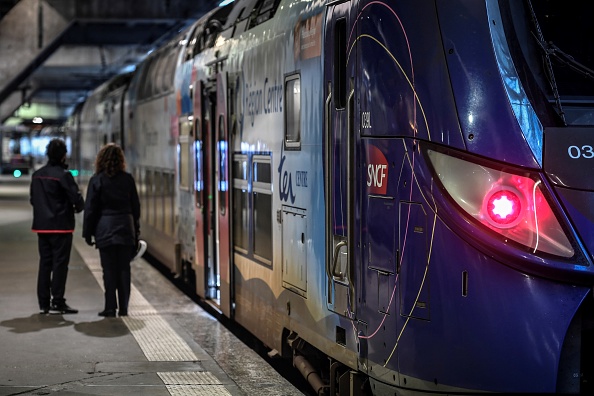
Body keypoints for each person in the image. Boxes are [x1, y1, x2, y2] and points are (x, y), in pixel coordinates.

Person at [82, 143, 140, 317]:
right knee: (124, 269)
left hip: (104, 228)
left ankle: (109, 307)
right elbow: (135, 208)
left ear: (100, 160)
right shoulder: (128, 179)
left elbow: (90, 209)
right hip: (125, 227)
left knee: (108, 269)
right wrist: (136, 231)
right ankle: (124, 308)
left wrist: (87, 233)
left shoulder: (97, 180)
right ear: (121, 160)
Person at [30, 138, 85, 314]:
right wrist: (77, 207)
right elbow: (76, 199)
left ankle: (43, 303)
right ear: (63, 156)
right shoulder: (63, 175)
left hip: (42, 226)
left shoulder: (37, 175)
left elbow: (33, 200)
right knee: (60, 264)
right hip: (61, 226)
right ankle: (58, 301)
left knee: (45, 264)